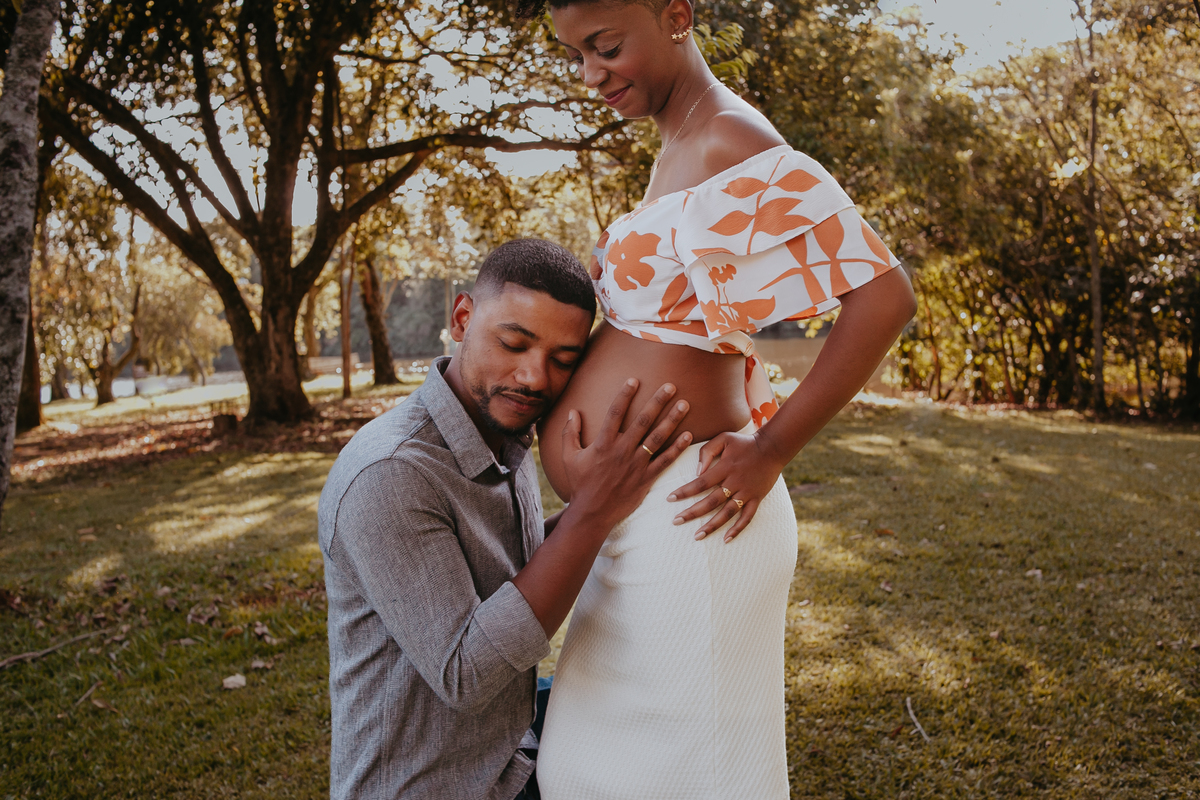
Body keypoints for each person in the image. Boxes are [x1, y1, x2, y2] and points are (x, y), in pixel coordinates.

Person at [516, 1, 920, 798]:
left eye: (604, 46)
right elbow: (715, 327)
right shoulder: (675, 148)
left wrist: (770, 450)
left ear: (675, 15)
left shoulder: (731, 139)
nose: (591, 74)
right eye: (576, 56)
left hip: (695, 522)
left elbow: (884, 298)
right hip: (639, 518)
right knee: (584, 771)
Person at [317, 238, 694, 800]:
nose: (534, 377)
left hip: (513, 759)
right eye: (513, 342)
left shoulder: (501, 430)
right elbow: (466, 674)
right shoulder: (389, 474)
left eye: (563, 360)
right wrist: (591, 513)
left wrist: (613, 504)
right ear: (463, 318)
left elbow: (510, 568)